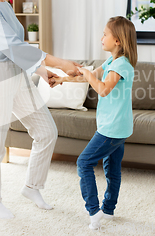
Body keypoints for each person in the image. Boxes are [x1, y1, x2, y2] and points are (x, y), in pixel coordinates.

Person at [0, 0, 82, 220]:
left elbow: (17, 50)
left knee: (46, 131)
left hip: (16, 76)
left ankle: (32, 186)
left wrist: (42, 71)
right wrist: (58, 62)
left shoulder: (6, 5)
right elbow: (12, 46)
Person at [55, 16, 137, 230]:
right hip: (118, 127)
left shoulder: (121, 65)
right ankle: (108, 210)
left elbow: (102, 88)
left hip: (112, 129)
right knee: (112, 170)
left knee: (84, 163)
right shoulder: (112, 61)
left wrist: (89, 74)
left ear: (117, 40)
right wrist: (61, 79)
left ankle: (94, 211)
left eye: (105, 34)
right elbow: (88, 79)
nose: (101, 38)